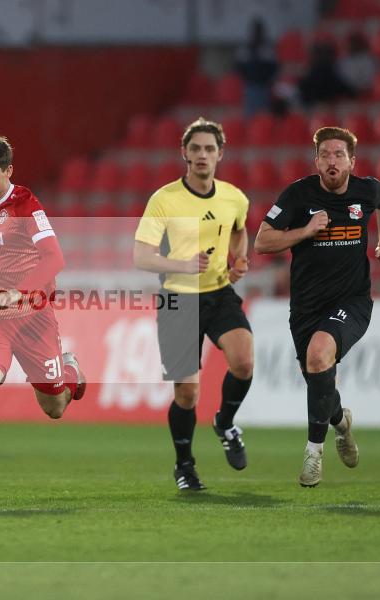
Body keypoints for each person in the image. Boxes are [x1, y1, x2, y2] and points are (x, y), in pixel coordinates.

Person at [254, 126, 380, 487]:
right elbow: (262, 241)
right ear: (316, 160)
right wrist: (303, 231)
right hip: (305, 307)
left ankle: (313, 454)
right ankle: (341, 423)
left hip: (352, 301)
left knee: (319, 354)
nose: (332, 161)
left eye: (338, 154)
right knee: (317, 378)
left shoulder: (367, 190)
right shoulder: (299, 195)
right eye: (325, 155)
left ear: (352, 160)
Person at [0, 135, 86, 502]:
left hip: (32, 317)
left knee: (55, 407)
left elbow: (54, 259)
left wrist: (19, 290)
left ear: (8, 171)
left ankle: (70, 371)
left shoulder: (26, 205)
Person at [133, 117, 254, 491]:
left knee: (244, 361)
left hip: (218, 294)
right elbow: (141, 256)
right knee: (187, 393)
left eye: (209, 149)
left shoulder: (234, 197)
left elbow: (239, 229)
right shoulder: (165, 199)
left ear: (220, 154)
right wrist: (181, 264)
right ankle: (184, 465)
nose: (202, 155)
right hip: (177, 298)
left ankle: (226, 422)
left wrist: (240, 259)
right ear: (184, 152)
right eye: (196, 148)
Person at [234, 18, 279, 117]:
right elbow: (239, 67)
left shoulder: (267, 48)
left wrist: (267, 79)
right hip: (250, 87)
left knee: (263, 117)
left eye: (259, 31)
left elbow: (274, 67)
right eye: (255, 31)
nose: (257, 34)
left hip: (264, 87)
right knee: (250, 117)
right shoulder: (246, 48)